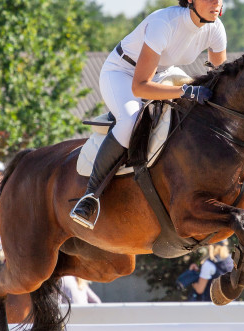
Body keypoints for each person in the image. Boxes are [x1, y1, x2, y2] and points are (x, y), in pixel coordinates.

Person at [70, 0, 227, 229]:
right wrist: (185, 90)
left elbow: (223, 77)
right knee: (131, 121)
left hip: (164, 71)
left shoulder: (216, 28)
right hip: (123, 72)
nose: (217, 3)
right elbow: (140, 87)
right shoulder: (164, 22)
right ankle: (90, 196)